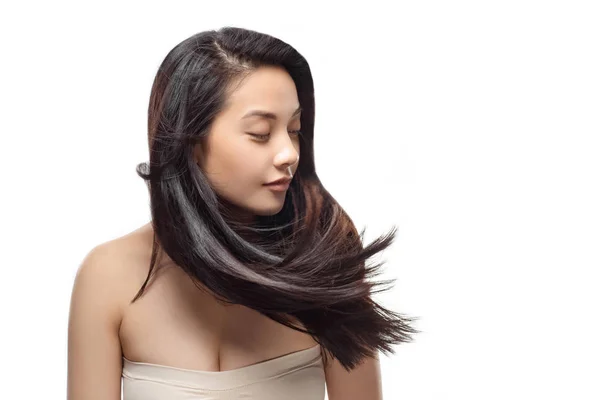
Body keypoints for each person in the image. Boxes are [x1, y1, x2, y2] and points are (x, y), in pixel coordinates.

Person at [67, 26, 420, 400]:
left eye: (295, 129)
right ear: (191, 143)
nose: (290, 154)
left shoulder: (326, 254)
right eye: (261, 133)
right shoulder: (108, 275)